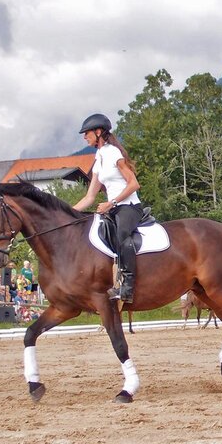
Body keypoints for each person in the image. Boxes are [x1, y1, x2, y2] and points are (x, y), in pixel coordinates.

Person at [72, 113, 144, 304]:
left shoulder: (113, 153)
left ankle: (128, 286)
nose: (84, 137)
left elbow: (134, 184)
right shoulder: (99, 157)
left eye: (86, 133)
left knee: (121, 234)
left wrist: (111, 203)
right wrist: (68, 213)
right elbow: (90, 197)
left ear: (98, 132)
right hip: (111, 209)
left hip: (129, 206)